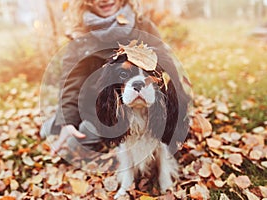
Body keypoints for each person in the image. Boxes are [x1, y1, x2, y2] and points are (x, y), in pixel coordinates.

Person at [40, 0, 191, 156]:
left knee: (77, 141)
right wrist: (67, 122)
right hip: (97, 110)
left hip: (137, 105)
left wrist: (179, 110)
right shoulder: (80, 34)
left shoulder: (142, 26)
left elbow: (167, 68)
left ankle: (61, 125)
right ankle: (56, 123)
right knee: (67, 139)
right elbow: (70, 81)